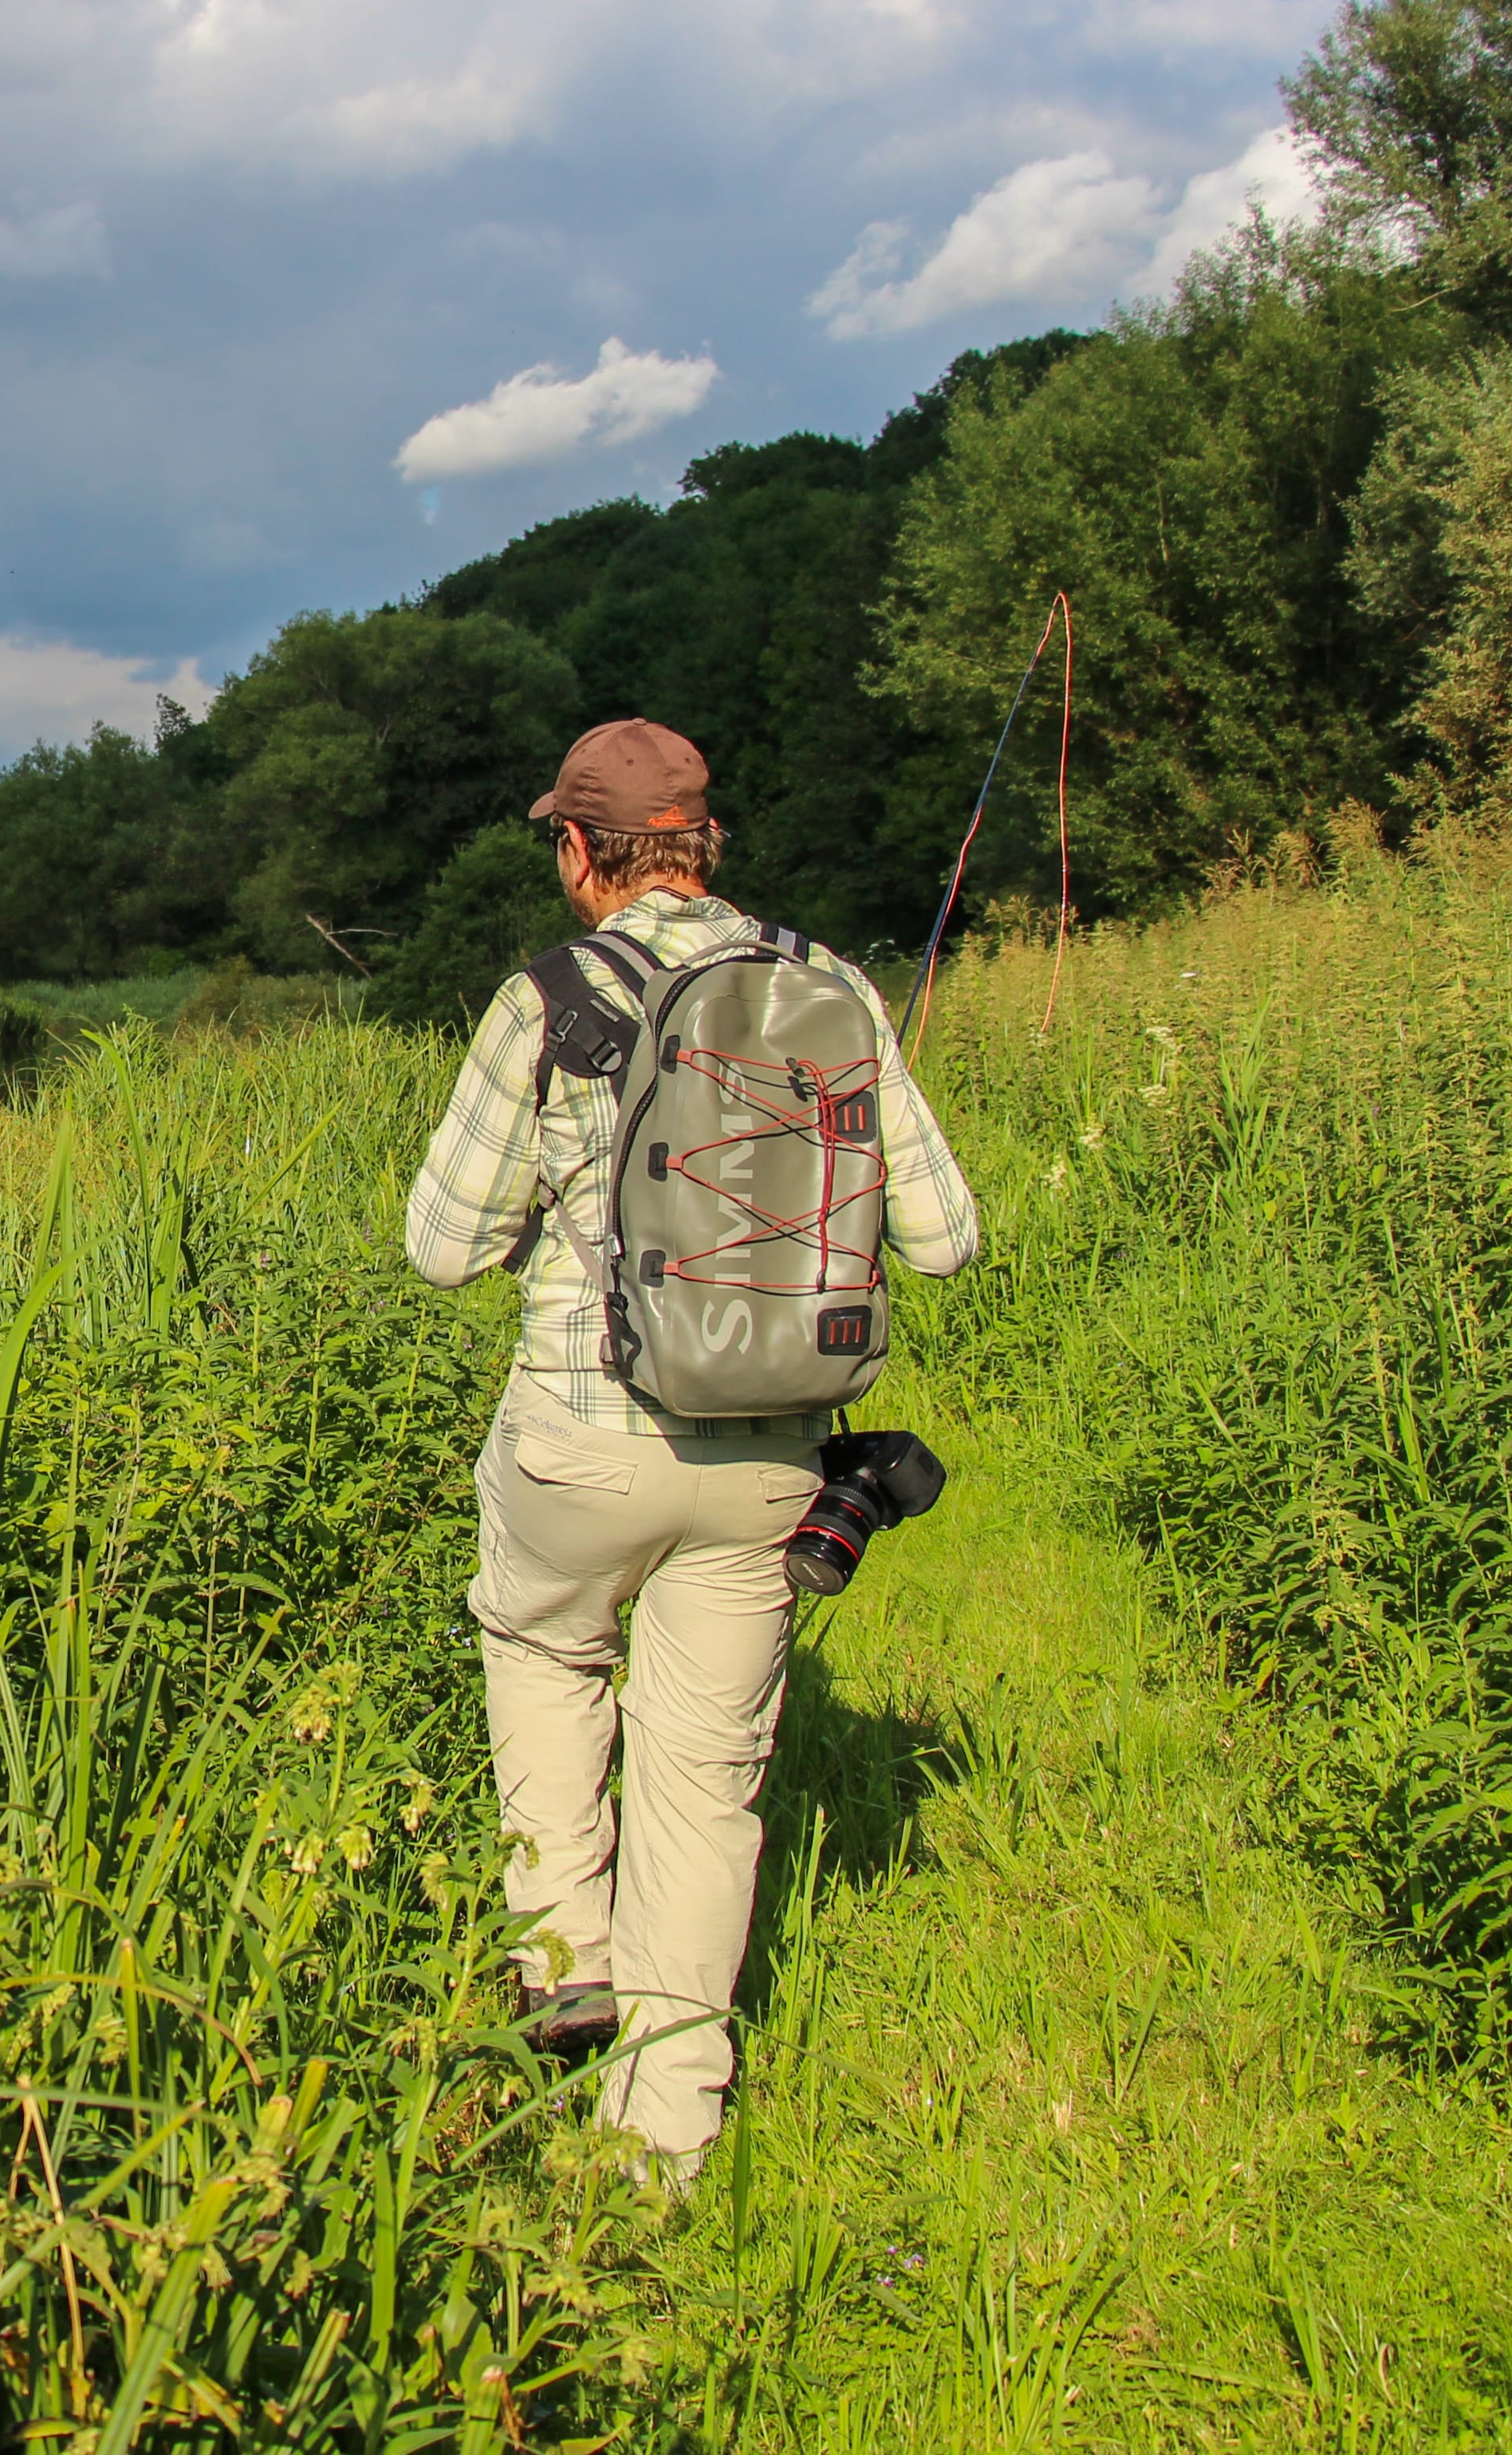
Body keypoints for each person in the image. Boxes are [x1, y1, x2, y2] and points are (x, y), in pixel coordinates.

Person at [402, 717, 979, 2177]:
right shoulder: (828, 984)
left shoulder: (547, 1002)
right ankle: (665, 2143)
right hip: (773, 1459)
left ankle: (563, 1958)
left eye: (561, 843)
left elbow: (441, 1250)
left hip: (583, 1445)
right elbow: (947, 1239)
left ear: (584, 852)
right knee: (704, 1776)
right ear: (706, 842)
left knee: (540, 1651)